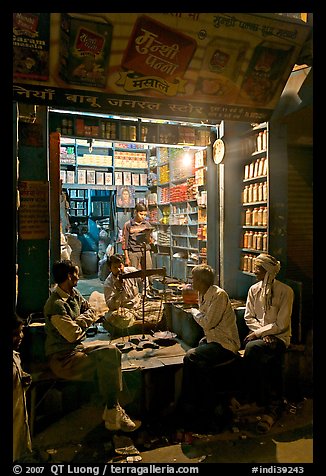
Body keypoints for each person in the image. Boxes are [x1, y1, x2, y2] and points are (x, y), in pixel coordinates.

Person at [43, 259, 141, 432]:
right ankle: (113, 411)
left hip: (77, 349)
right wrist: (84, 322)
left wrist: (79, 321)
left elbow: (92, 310)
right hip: (63, 359)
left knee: (113, 351)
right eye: (76, 273)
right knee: (109, 362)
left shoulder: (74, 294)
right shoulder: (56, 305)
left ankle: (113, 409)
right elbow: (72, 334)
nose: (78, 277)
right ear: (69, 276)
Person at [242, 253, 294, 433]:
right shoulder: (253, 290)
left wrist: (261, 333)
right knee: (254, 347)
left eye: (259, 269)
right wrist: (260, 333)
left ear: (269, 271)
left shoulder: (285, 291)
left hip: (279, 337)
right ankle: (260, 398)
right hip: (260, 336)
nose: (255, 271)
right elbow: (249, 317)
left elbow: (282, 324)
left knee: (252, 349)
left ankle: (257, 398)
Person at [180, 264, 241, 417]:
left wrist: (194, 311)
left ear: (201, 281)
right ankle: (204, 403)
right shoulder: (202, 294)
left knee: (191, 356)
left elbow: (208, 322)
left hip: (225, 344)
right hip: (213, 340)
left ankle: (195, 402)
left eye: (193, 279)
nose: (191, 282)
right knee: (199, 363)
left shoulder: (218, 295)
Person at [102, 254, 163, 334]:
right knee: (116, 317)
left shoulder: (131, 271)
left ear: (123, 264)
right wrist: (118, 291)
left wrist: (144, 292)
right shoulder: (108, 284)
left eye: (120, 266)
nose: (119, 269)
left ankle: (134, 323)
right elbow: (112, 306)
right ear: (110, 269)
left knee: (160, 306)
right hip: (125, 310)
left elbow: (144, 278)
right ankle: (141, 323)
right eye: (115, 267)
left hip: (139, 306)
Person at [13, 313, 33, 462]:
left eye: (21, 331)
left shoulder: (15, 356)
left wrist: (22, 377)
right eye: (15, 334)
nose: (20, 336)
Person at [121, 202, 153, 271]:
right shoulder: (128, 225)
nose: (143, 217)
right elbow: (124, 243)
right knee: (133, 273)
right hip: (133, 252)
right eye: (141, 214)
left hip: (145, 251)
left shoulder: (147, 224)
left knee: (149, 272)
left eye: (145, 215)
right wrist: (126, 258)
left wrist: (148, 235)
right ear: (136, 212)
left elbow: (150, 241)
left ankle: (148, 282)